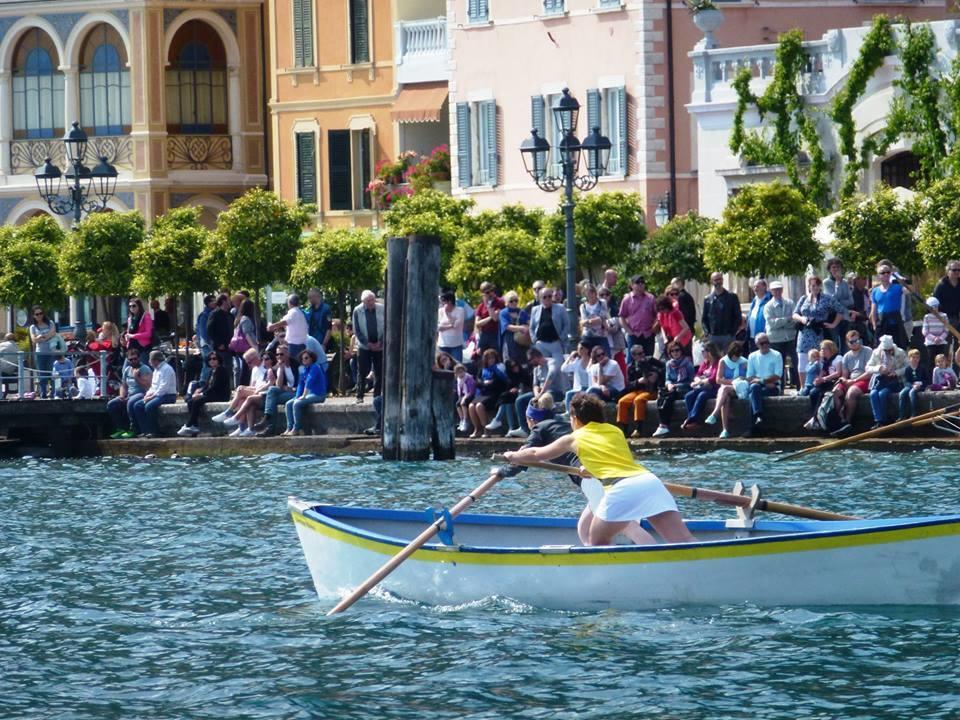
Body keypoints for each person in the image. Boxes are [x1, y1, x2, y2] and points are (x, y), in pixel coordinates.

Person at [504, 393, 695, 546]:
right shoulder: (615, 430)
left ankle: (625, 577)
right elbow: (610, 457)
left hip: (620, 488)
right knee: (684, 541)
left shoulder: (574, 437)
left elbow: (537, 453)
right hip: (650, 481)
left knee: (599, 541)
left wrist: (512, 456)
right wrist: (588, 467)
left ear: (575, 418)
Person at [511, 347, 567, 437]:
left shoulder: (551, 362)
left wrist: (541, 394)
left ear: (536, 357)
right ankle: (524, 429)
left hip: (554, 391)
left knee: (546, 398)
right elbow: (535, 384)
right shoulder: (536, 369)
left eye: (530, 360)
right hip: (540, 393)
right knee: (520, 400)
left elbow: (551, 376)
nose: (530, 362)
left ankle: (546, 429)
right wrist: (537, 395)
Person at [794, 275, 840, 380]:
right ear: (809, 286)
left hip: (818, 333)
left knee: (819, 359)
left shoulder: (827, 298)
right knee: (802, 361)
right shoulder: (803, 298)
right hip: (804, 333)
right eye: (812, 285)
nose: (814, 287)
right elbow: (794, 314)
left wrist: (833, 324)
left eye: (817, 285)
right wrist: (802, 319)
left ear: (820, 286)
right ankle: (803, 387)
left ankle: (818, 382)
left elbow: (840, 311)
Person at [177, 353, 231, 437]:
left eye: (214, 359)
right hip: (212, 394)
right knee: (191, 401)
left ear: (218, 360)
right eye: (210, 359)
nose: (212, 361)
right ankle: (194, 426)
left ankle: (189, 424)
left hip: (220, 395)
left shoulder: (221, 370)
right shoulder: (211, 371)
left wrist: (202, 394)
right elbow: (206, 385)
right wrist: (199, 391)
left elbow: (215, 387)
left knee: (197, 401)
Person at [617, 344, 664, 438]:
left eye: (642, 352)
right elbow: (629, 385)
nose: (642, 355)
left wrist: (656, 375)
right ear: (633, 356)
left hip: (651, 390)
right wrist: (638, 381)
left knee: (638, 400)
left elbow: (663, 368)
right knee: (622, 401)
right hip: (637, 390)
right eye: (639, 354)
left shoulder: (651, 360)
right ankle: (624, 430)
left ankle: (639, 429)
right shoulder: (630, 367)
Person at [831, 330, 873, 435]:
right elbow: (845, 374)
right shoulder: (846, 356)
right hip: (851, 379)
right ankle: (841, 419)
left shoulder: (868, 351)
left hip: (864, 379)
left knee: (851, 393)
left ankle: (848, 422)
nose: (855, 343)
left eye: (857, 340)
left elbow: (870, 372)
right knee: (835, 391)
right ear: (847, 343)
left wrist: (854, 381)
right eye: (852, 341)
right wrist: (845, 380)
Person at [704, 341, 748, 439]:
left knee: (724, 389)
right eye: (734, 355)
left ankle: (715, 413)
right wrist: (734, 381)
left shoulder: (744, 362)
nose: (736, 358)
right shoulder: (723, 361)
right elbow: (718, 379)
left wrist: (735, 382)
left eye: (738, 355)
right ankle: (725, 430)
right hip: (728, 388)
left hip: (740, 389)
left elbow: (747, 378)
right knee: (726, 397)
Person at [652, 341, 696, 437]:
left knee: (668, 398)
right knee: (661, 398)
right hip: (672, 388)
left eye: (677, 350)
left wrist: (676, 386)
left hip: (684, 389)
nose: (675, 353)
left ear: (681, 351)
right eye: (672, 351)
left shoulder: (688, 363)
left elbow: (691, 381)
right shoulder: (669, 364)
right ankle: (662, 425)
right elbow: (668, 379)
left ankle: (664, 425)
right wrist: (669, 385)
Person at [130, 350, 177, 438]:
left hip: (168, 395)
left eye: (150, 360)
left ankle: (154, 431)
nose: (149, 362)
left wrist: (152, 397)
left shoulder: (166, 369)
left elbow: (164, 388)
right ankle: (145, 430)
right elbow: (153, 386)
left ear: (156, 360)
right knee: (137, 405)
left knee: (149, 406)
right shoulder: (156, 370)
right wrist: (148, 394)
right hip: (157, 394)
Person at [107, 348, 153, 438]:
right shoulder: (127, 369)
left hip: (142, 393)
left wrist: (137, 377)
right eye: (130, 359)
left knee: (131, 402)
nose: (133, 361)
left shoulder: (145, 369)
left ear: (139, 358)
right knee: (111, 404)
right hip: (129, 394)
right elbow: (124, 385)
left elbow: (147, 386)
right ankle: (121, 428)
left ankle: (134, 429)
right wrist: (122, 395)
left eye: (135, 359)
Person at [254, 345, 298, 436]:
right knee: (272, 390)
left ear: (288, 354)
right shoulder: (279, 367)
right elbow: (278, 386)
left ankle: (269, 426)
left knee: (271, 398)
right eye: (277, 355)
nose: (279, 357)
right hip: (287, 392)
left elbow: (303, 381)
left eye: (281, 354)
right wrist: (281, 369)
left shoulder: (296, 365)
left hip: (297, 392)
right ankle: (268, 420)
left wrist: (293, 389)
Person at [866, 335, 907, 428]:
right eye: (886, 350)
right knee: (873, 394)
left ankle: (884, 420)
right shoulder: (876, 353)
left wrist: (896, 372)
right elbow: (868, 368)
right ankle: (878, 420)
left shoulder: (900, 352)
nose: (888, 352)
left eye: (889, 350)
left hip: (895, 381)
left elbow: (907, 367)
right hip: (881, 380)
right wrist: (878, 368)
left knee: (882, 394)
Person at [283, 349, 327, 436]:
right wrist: (297, 396)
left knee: (296, 404)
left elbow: (309, 381)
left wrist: (303, 396)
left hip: (318, 395)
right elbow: (301, 385)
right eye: (302, 359)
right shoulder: (304, 370)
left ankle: (296, 429)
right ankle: (289, 428)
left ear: (311, 358)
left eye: (306, 358)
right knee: (288, 404)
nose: (304, 360)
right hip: (309, 395)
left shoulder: (315, 367)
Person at [744, 332, 782, 433]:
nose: (765, 345)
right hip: (760, 386)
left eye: (767, 342)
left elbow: (777, 375)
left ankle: (752, 426)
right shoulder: (752, 356)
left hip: (773, 387)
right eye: (762, 343)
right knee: (754, 389)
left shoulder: (777, 355)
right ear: (757, 345)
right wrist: (764, 382)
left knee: (753, 392)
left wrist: (761, 381)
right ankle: (758, 416)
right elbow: (749, 377)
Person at [763, 281, 798, 389]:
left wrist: (781, 322)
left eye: (779, 289)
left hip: (790, 337)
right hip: (775, 340)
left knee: (796, 362)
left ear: (782, 290)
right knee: (779, 365)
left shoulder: (790, 303)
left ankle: (799, 386)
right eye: (775, 290)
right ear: (771, 291)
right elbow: (771, 323)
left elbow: (795, 320)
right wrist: (787, 319)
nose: (777, 291)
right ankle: (780, 388)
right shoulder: (768, 306)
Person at [352, 290, 384, 404]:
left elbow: (387, 326)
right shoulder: (357, 310)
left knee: (379, 371)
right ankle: (359, 396)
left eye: (372, 300)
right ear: (363, 301)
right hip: (364, 346)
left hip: (379, 345)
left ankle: (376, 396)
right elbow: (357, 330)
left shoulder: (382, 309)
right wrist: (367, 343)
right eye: (368, 301)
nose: (371, 302)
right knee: (362, 371)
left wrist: (380, 342)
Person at [468, 348, 509, 438]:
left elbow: (502, 381)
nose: (491, 360)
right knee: (471, 406)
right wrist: (484, 383)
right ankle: (477, 429)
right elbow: (477, 383)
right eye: (489, 358)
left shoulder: (499, 367)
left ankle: (486, 429)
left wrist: (489, 383)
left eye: (492, 358)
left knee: (479, 406)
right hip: (484, 393)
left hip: (494, 394)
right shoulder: (483, 369)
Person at [681, 341, 721, 430]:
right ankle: (694, 421)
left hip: (714, 388)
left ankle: (692, 419)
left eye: (703, 351)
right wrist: (698, 380)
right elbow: (697, 375)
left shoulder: (718, 362)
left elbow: (713, 378)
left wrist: (700, 382)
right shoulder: (705, 363)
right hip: (703, 387)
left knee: (702, 395)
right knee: (688, 396)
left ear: (709, 352)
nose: (702, 353)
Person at [803, 340, 842, 431]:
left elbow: (838, 373)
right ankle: (815, 417)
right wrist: (818, 380)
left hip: (834, 382)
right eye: (821, 349)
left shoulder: (838, 358)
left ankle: (816, 419)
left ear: (830, 349)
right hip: (825, 382)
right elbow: (822, 373)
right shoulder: (824, 361)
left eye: (824, 349)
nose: (822, 351)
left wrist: (824, 379)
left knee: (822, 395)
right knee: (813, 393)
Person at [701, 272, 742, 353]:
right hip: (713, 336)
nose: (718, 282)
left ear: (722, 280)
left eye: (719, 279)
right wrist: (707, 333)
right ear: (712, 282)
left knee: (729, 359)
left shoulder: (732, 297)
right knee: (715, 360)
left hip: (728, 336)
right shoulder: (707, 299)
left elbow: (738, 316)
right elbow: (704, 319)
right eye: (715, 280)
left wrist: (732, 332)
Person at [870, 263, 907, 349]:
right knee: (881, 349)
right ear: (878, 275)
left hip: (895, 322)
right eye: (883, 273)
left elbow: (911, 291)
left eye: (888, 272)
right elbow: (873, 310)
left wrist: (903, 281)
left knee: (898, 348)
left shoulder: (897, 287)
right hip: (882, 323)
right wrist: (875, 325)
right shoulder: (875, 291)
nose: (886, 274)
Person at [267, 294, 309, 368]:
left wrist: (271, 326)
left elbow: (285, 322)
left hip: (294, 346)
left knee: (294, 367)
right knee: (299, 367)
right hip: (301, 345)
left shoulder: (293, 312)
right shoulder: (299, 313)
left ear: (289, 303)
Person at [618, 275, 657, 356]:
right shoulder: (627, 299)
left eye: (642, 282)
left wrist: (654, 329)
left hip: (648, 334)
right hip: (634, 334)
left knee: (648, 359)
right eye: (637, 282)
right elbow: (621, 317)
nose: (640, 284)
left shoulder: (651, 298)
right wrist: (629, 331)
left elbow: (657, 315)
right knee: (632, 362)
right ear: (632, 285)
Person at [529, 286, 568, 361]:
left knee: (556, 368)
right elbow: (531, 327)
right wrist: (535, 340)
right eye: (544, 297)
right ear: (540, 299)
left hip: (555, 343)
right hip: (540, 344)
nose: (547, 299)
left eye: (549, 296)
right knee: (543, 367)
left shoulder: (560, 308)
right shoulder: (535, 310)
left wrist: (561, 338)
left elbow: (566, 324)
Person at [824, 259, 853, 353]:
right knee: (834, 343)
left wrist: (839, 302)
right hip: (833, 317)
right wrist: (837, 284)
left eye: (838, 267)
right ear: (829, 269)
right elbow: (832, 301)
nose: (836, 269)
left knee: (846, 342)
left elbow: (851, 301)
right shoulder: (826, 282)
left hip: (845, 317)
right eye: (833, 267)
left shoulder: (845, 282)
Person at [230, 299, 259, 387]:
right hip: (246, 347)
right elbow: (247, 334)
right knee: (246, 368)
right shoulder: (246, 319)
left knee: (242, 368)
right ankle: (243, 386)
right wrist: (254, 346)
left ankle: (241, 385)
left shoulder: (239, 319)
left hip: (239, 347)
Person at [934, 260, 960, 354]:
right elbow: (934, 303)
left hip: (957, 318)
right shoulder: (941, 285)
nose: (957, 272)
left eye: (959, 270)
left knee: (958, 347)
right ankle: (942, 367)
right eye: (954, 270)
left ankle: (957, 367)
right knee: (945, 345)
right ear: (948, 271)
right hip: (943, 319)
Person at [498, 291, 530, 365]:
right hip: (510, 341)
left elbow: (529, 322)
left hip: (522, 342)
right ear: (506, 302)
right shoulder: (503, 313)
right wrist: (521, 328)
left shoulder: (521, 312)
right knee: (511, 363)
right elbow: (507, 326)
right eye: (511, 301)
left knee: (524, 363)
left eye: (516, 300)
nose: (514, 303)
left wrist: (528, 328)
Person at [561, 342, 592, 414]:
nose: (579, 350)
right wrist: (570, 357)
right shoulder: (577, 362)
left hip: (589, 387)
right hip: (579, 388)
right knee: (569, 394)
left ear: (587, 350)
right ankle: (568, 413)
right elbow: (563, 369)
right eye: (578, 349)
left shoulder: (592, 361)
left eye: (581, 348)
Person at [579, 283, 611, 354]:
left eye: (592, 292)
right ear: (585, 294)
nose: (590, 294)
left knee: (606, 356)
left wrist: (588, 321)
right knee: (588, 357)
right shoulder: (583, 306)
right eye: (588, 293)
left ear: (595, 292)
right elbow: (583, 322)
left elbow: (601, 318)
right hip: (588, 336)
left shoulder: (602, 303)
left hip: (601, 335)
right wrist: (588, 322)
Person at [475, 282, 504, 353]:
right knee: (481, 356)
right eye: (487, 292)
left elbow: (495, 318)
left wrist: (489, 306)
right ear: (483, 294)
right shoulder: (481, 306)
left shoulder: (500, 302)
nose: (491, 293)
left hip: (496, 334)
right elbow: (477, 323)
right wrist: (490, 317)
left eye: (492, 290)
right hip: (485, 334)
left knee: (497, 355)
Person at [898, 349, 926, 421]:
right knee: (902, 393)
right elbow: (906, 381)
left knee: (912, 393)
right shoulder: (908, 369)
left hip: (920, 386)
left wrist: (920, 384)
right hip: (910, 385)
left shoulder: (922, 368)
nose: (915, 359)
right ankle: (902, 415)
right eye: (913, 357)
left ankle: (914, 413)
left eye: (917, 357)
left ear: (919, 359)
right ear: (909, 359)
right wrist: (912, 385)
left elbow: (926, 380)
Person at [206, 294, 233, 370]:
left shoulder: (230, 315)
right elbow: (209, 330)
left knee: (229, 369)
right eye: (228, 299)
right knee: (220, 368)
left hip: (229, 347)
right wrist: (218, 344)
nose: (230, 301)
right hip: (220, 348)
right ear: (224, 301)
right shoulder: (215, 314)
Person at [922, 297, 950, 369]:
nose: (935, 308)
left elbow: (946, 329)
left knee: (942, 361)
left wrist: (940, 338)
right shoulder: (927, 317)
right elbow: (925, 331)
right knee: (931, 362)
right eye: (932, 307)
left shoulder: (944, 316)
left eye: (936, 306)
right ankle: (931, 379)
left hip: (941, 343)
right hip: (930, 343)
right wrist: (934, 338)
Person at [438, 290, 466, 363]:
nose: (442, 304)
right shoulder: (440, 311)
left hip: (456, 344)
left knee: (457, 366)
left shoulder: (460, 310)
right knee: (443, 367)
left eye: (443, 301)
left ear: (449, 301)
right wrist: (451, 325)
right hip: (443, 344)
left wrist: (447, 314)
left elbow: (457, 325)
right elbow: (438, 327)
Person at [745, 278, 772, 352]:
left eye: (757, 287)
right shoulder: (754, 300)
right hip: (752, 337)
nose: (755, 289)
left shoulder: (769, 299)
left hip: (764, 338)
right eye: (754, 287)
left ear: (764, 287)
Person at [455, 363, 477, 434]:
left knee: (463, 403)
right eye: (458, 373)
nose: (461, 374)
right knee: (457, 404)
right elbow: (460, 392)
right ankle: (461, 419)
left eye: (462, 372)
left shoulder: (469, 379)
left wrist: (464, 398)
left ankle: (465, 419)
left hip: (470, 395)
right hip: (463, 395)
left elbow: (471, 391)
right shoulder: (459, 380)